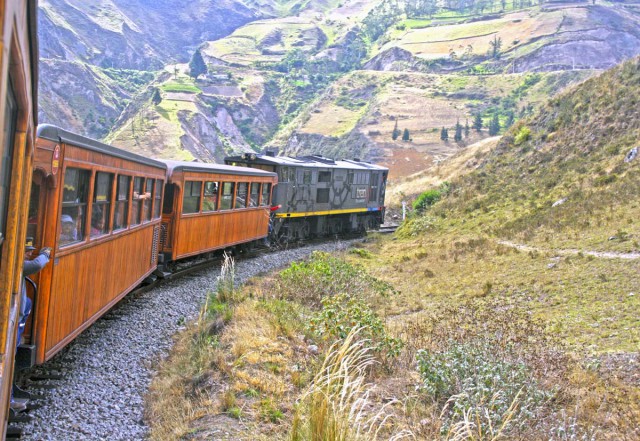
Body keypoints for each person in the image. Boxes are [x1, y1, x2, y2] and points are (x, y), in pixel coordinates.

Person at [11, 241, 51, 412]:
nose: (29, 254)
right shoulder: (17, 264)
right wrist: (45, 254)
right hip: (12, 320)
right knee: (8, 356)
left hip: (16, 318)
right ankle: (9, 399)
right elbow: (37, 264)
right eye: (27, 251)